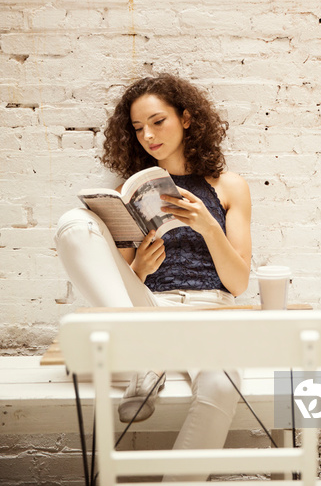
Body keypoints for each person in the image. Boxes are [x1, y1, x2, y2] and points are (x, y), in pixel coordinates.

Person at [55, 73, 252, 480]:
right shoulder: (130, 192)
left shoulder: (229, 186)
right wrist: (140, 268)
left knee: (221, 386)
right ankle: (148, 352)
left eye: (157, 122)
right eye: (138, 128)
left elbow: (238, 284)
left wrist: (208, 227)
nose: (148, 135)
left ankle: (150, 359)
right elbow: (118, 282)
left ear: (187, 119)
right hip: (148, 310)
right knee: (75, 223)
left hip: (211, 313)